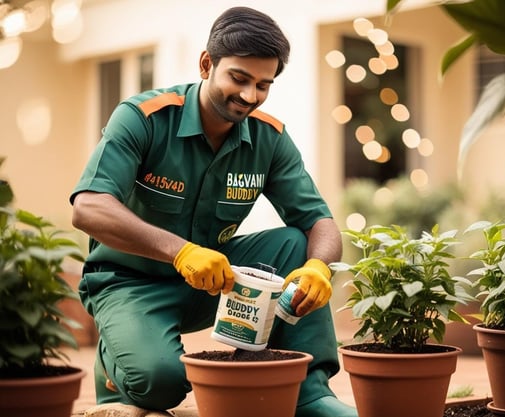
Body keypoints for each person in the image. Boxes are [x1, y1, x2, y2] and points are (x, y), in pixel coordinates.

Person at [70, 6, 357, 417]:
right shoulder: (143, 118)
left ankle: (309, 393)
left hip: (213, 281)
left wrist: (319, 269)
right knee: (160, 384)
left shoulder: (269, 139)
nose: (250, 96)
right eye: (238, 78)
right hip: (130, 282)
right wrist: (181, 252)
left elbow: (319, 222)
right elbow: (88, 208)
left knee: (296, 243)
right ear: (206, 63)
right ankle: (114, 373)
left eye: (263, 85)